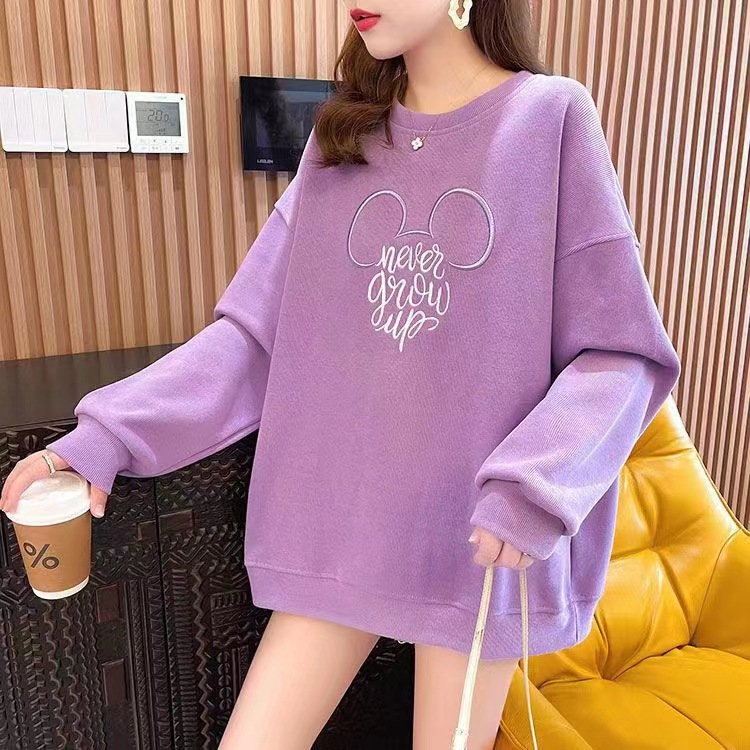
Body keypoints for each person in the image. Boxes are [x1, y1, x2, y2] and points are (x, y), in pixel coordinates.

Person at [0, 1, 682, 748]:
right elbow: (254, 340)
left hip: (477, 549)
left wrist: (536, 484)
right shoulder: (340, 138)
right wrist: (105, 436)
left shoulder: (549, 120)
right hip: (342, 529)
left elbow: (621, 352)